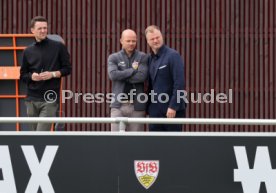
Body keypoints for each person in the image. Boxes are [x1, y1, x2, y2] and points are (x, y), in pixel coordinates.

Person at [20, 16, 71, 131]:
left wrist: (52, 74)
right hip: (31, 100)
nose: (43, 31)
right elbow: (23, 75)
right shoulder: (27, 51)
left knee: (41, 134)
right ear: (32, 30)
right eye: (40, 28)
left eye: (45, 28)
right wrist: (31, 77)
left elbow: (67, 69)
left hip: (50, 98)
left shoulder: (58, 47)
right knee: (35, 135)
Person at [145, 25, 186, 131]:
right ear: (148, 41)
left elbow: (179, 83)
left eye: (157, 37)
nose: (155, 40)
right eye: (152, 39)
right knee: (155, 145)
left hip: (172, 110)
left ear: (162, 37)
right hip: (155, 111)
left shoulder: (173, 55)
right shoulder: (150, 59)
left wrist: (173, 106)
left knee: (173, 145)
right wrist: (148, 108)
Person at [108, 29, 148, 131]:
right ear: (121, 40)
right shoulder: (114, 57)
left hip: (137, 107)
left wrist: (123, 76)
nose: (131, 43)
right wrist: (133, 70)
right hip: (118, 105)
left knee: (136, 141)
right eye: (128, 41)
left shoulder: (142, 57)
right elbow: (113, 75)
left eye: (133, 41)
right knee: (116, 140)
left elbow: (142, 76)